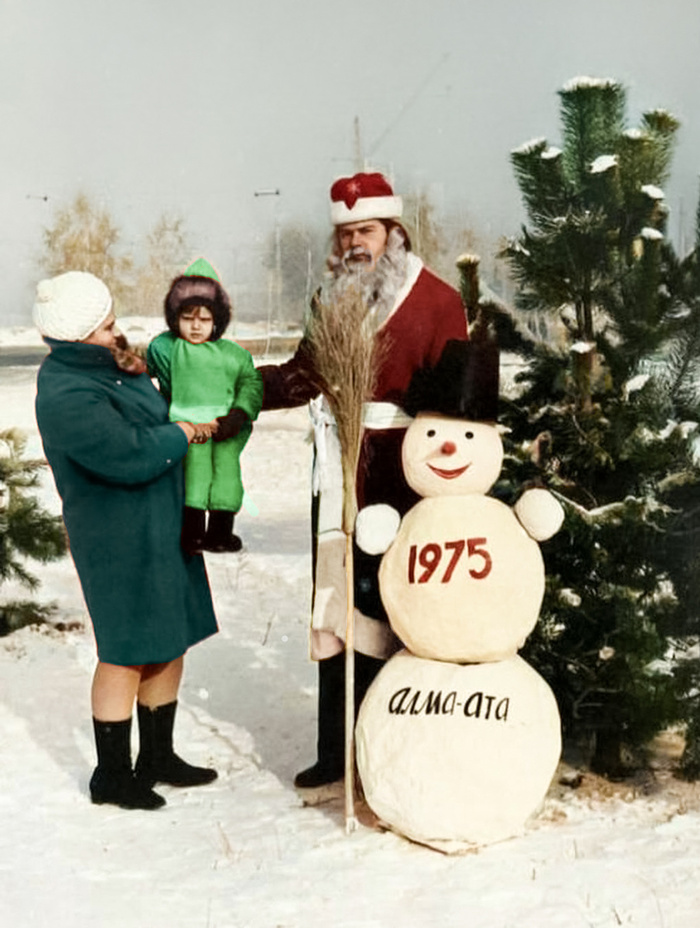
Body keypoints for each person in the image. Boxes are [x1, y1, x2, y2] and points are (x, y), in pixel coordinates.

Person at [258, 171, 469, 789]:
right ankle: (335, 750)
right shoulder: (331, 299)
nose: (355, 242)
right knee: (335, 603)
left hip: (402, 473)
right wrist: (231, 387)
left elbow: (454, 402)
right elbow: (304, 376)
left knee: (393, 604)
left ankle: (391, 747)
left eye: (367, 230)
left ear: (393, 232)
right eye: (346, 232)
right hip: (339, 468)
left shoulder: (435, 299)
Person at [34, 270, 220, 811]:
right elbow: (126, 453)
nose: (117, 330)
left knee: (168, 637)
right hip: (116, 535)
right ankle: (111, 775)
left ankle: (156, 756)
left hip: (159, 521)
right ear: (78, 333)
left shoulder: (110, 367)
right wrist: (181, 434)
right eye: (107, 324)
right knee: (125, 650)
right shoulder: (66, 390)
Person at [147, 258, 263, 554]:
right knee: (194, 477)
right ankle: (193, 534)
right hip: (189, 426)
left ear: (217, 320)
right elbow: (145, 369)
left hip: (225, 426)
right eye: (188, 317)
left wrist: (239, 414)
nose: (196, 326)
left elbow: (250, 383)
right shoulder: (166, 348)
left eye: (205, 318)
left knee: (227, 477)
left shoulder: (233, 354)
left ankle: (220, 533)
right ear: (175, 318)